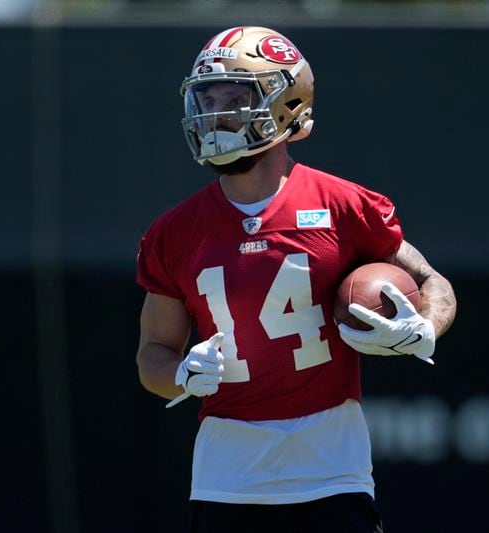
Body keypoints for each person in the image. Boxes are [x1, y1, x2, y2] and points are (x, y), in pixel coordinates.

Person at [135, 26, 457, 533]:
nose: (216, 114)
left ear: (287, 105)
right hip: (227, 476)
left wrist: (426, 327)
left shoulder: (342, 205)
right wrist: (179, 374)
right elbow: (152, 354)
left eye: (236, 97)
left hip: (332, 470)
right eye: (208, 98)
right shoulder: (172, 234)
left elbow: (433, 282)